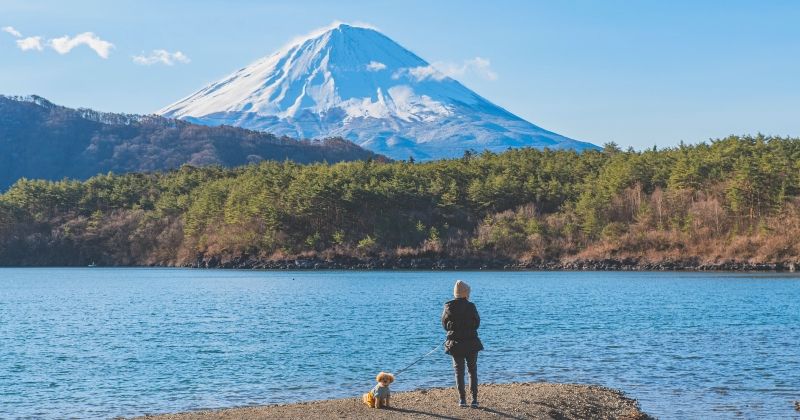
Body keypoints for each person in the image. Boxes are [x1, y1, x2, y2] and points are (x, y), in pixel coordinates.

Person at [441, 280, 483, 408]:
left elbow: (444, 325)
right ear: (466, 293)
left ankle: (462, 400)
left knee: (459, 371)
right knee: (472, 370)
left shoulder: (448, 307)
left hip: (455, 344)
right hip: (471, 343)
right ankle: (474, 400)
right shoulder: (471, 306)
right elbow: (477, 323)